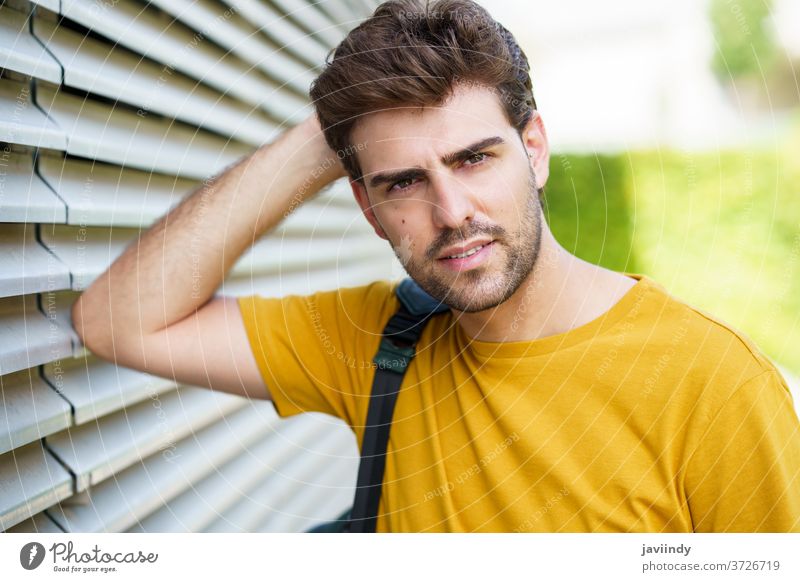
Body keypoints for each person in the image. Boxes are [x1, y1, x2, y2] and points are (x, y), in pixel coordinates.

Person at [72, 0, 800, 532]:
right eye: (404, 182)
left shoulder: (716, 385)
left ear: (535, 149)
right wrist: (329, 134)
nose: (451, 211)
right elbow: (117, 322)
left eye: (473, 158)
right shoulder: (371, 341)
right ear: (366, 205)